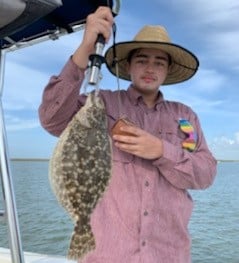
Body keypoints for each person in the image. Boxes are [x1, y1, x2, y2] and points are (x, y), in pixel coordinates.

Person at [39, 6, 217, 263]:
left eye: (159, 62)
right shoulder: (101, 104)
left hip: (169, 255)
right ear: (129, 66)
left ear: (167, 71)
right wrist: (85, 49)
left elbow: (206, 174)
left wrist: (161, 150)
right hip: (106, 255)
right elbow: (51, 119)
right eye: (142, 60)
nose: (150, 68)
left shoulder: (185, 117)